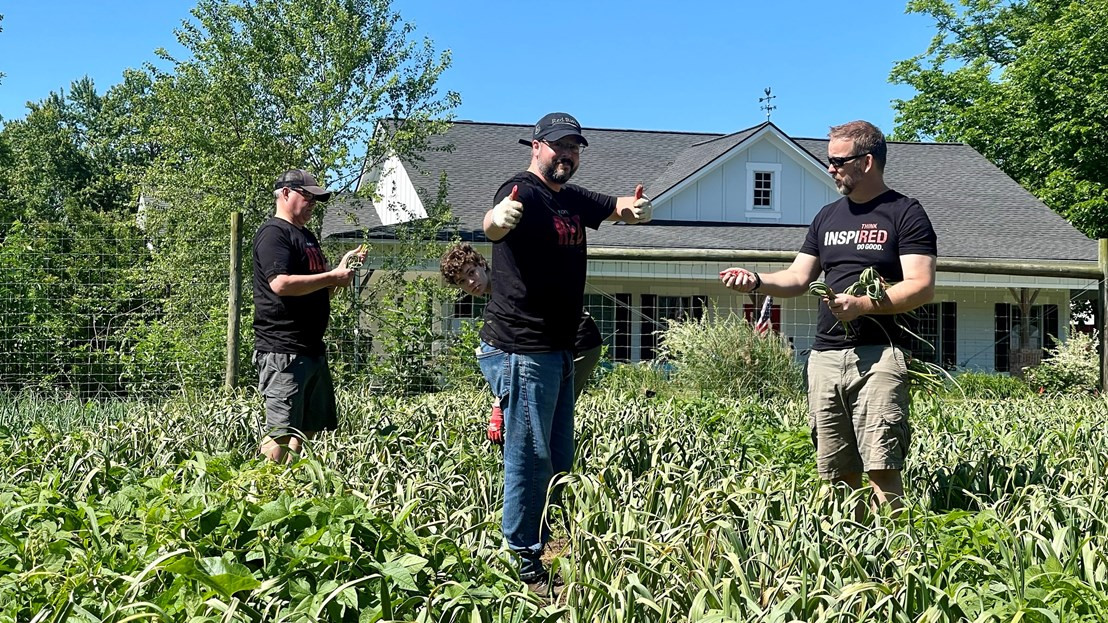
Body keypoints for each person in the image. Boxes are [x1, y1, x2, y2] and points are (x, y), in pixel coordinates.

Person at [721, 120, 937, 513]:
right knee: (835, 471)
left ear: (867, 161)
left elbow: (920, 285)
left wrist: (863, 305)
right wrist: (755, 281)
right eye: (828, 160)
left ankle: (896, 556)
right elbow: (798, 278)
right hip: (825, 356)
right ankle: (849, 551)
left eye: (838, 160)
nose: (830, 167)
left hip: (880, 355)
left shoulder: (904, 213)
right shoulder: (827, 217)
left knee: (881, 464)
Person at [478, 112, 653, 585]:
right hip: (521, 346)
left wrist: (632, 210)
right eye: (559, 146)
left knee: (557, 455)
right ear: (536, 146)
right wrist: (498, 220)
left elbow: (614, 206)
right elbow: (492, 223)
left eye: (575, 148)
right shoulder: (523, 191)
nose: (567, 155)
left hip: (556, 347)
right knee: (529, 455)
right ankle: (523, 559)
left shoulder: (568, 197)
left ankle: (542, 535)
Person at [252, 169, 365, 463]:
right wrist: (331, 276)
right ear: (286, 194)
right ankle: (259, 494)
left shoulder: (307, 237)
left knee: (305, 429)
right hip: (282, 349)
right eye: (308, 196)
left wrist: (339, 272)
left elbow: (320, 291)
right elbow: (280, 283)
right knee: (280, 431)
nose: (313, 203)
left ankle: (289, 485)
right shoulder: (274, 233)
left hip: (312, 348)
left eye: (316, 199)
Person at [439, 242, 603, 443]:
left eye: (471, 272)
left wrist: (498, 407)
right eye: (463, 281)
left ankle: (552, 470)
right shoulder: (498, 299)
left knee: (545, 418)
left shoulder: (507, 286)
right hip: (565, 341)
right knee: (544, 417)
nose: (471, 282)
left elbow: (514, 358)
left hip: (578, 342)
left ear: (482, 264)